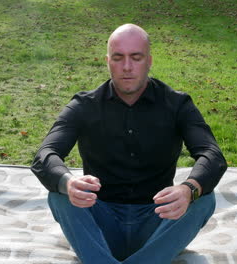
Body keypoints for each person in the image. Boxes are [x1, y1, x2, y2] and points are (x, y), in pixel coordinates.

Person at [31, 24, 227, 264]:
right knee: (60, 193)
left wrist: (188, 189)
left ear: (149, 61)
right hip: (100, 221)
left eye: (136, 57)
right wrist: (68, 182)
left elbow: (212, 155)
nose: (126, 67)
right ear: (107, 61)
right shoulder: (85, 105)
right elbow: (45, 155)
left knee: (203, 196)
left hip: (157, 222)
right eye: (118, 57)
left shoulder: (177, 104)